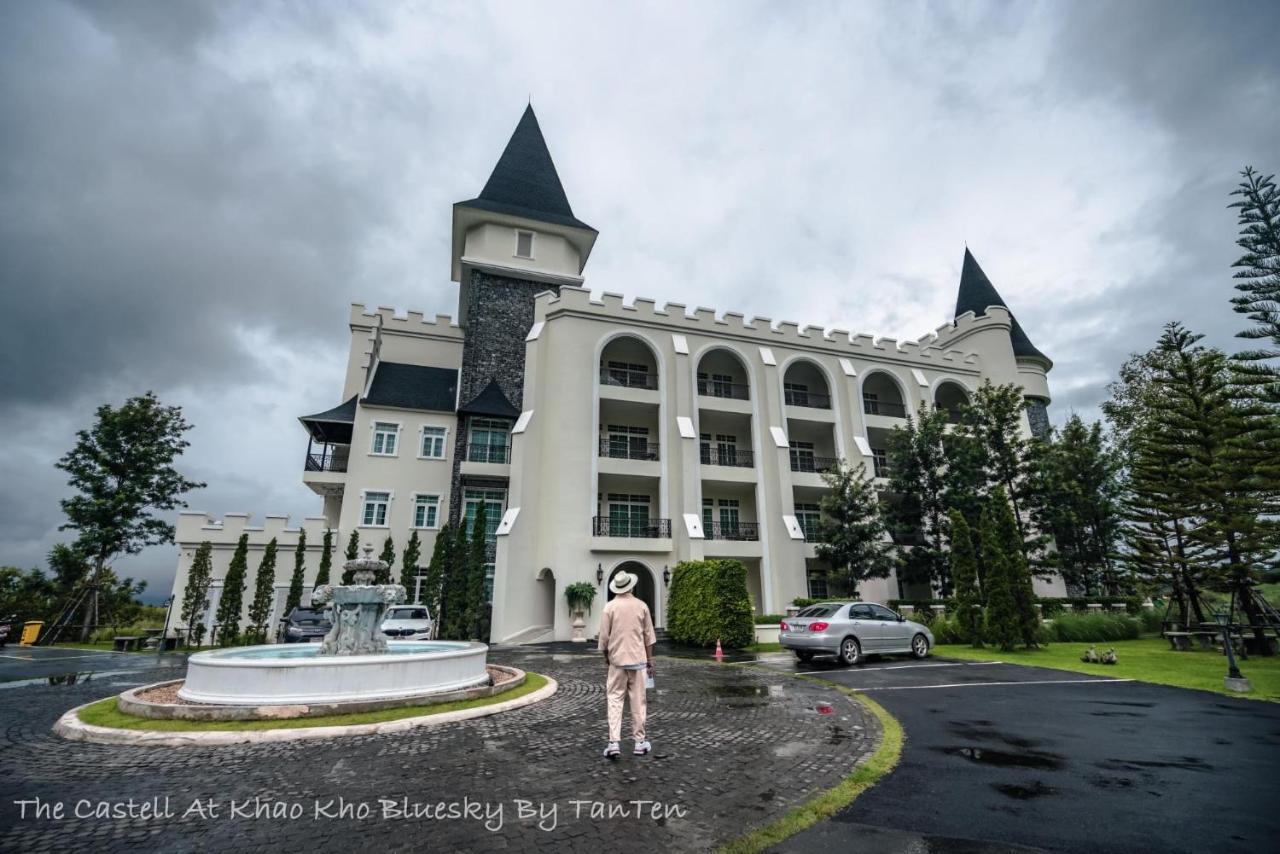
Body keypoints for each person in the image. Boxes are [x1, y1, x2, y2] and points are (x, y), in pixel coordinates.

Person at [597, 570, 656, 759]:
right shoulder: (642, 606)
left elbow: (604, 638)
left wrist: (607, 657)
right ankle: (640, 743)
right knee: (639, 702)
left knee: (614, 700)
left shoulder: (609, 607)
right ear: (630, 586)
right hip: (638, 662)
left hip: (617, 662)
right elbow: (648, 637)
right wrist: (650, 661)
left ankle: (614, 742)